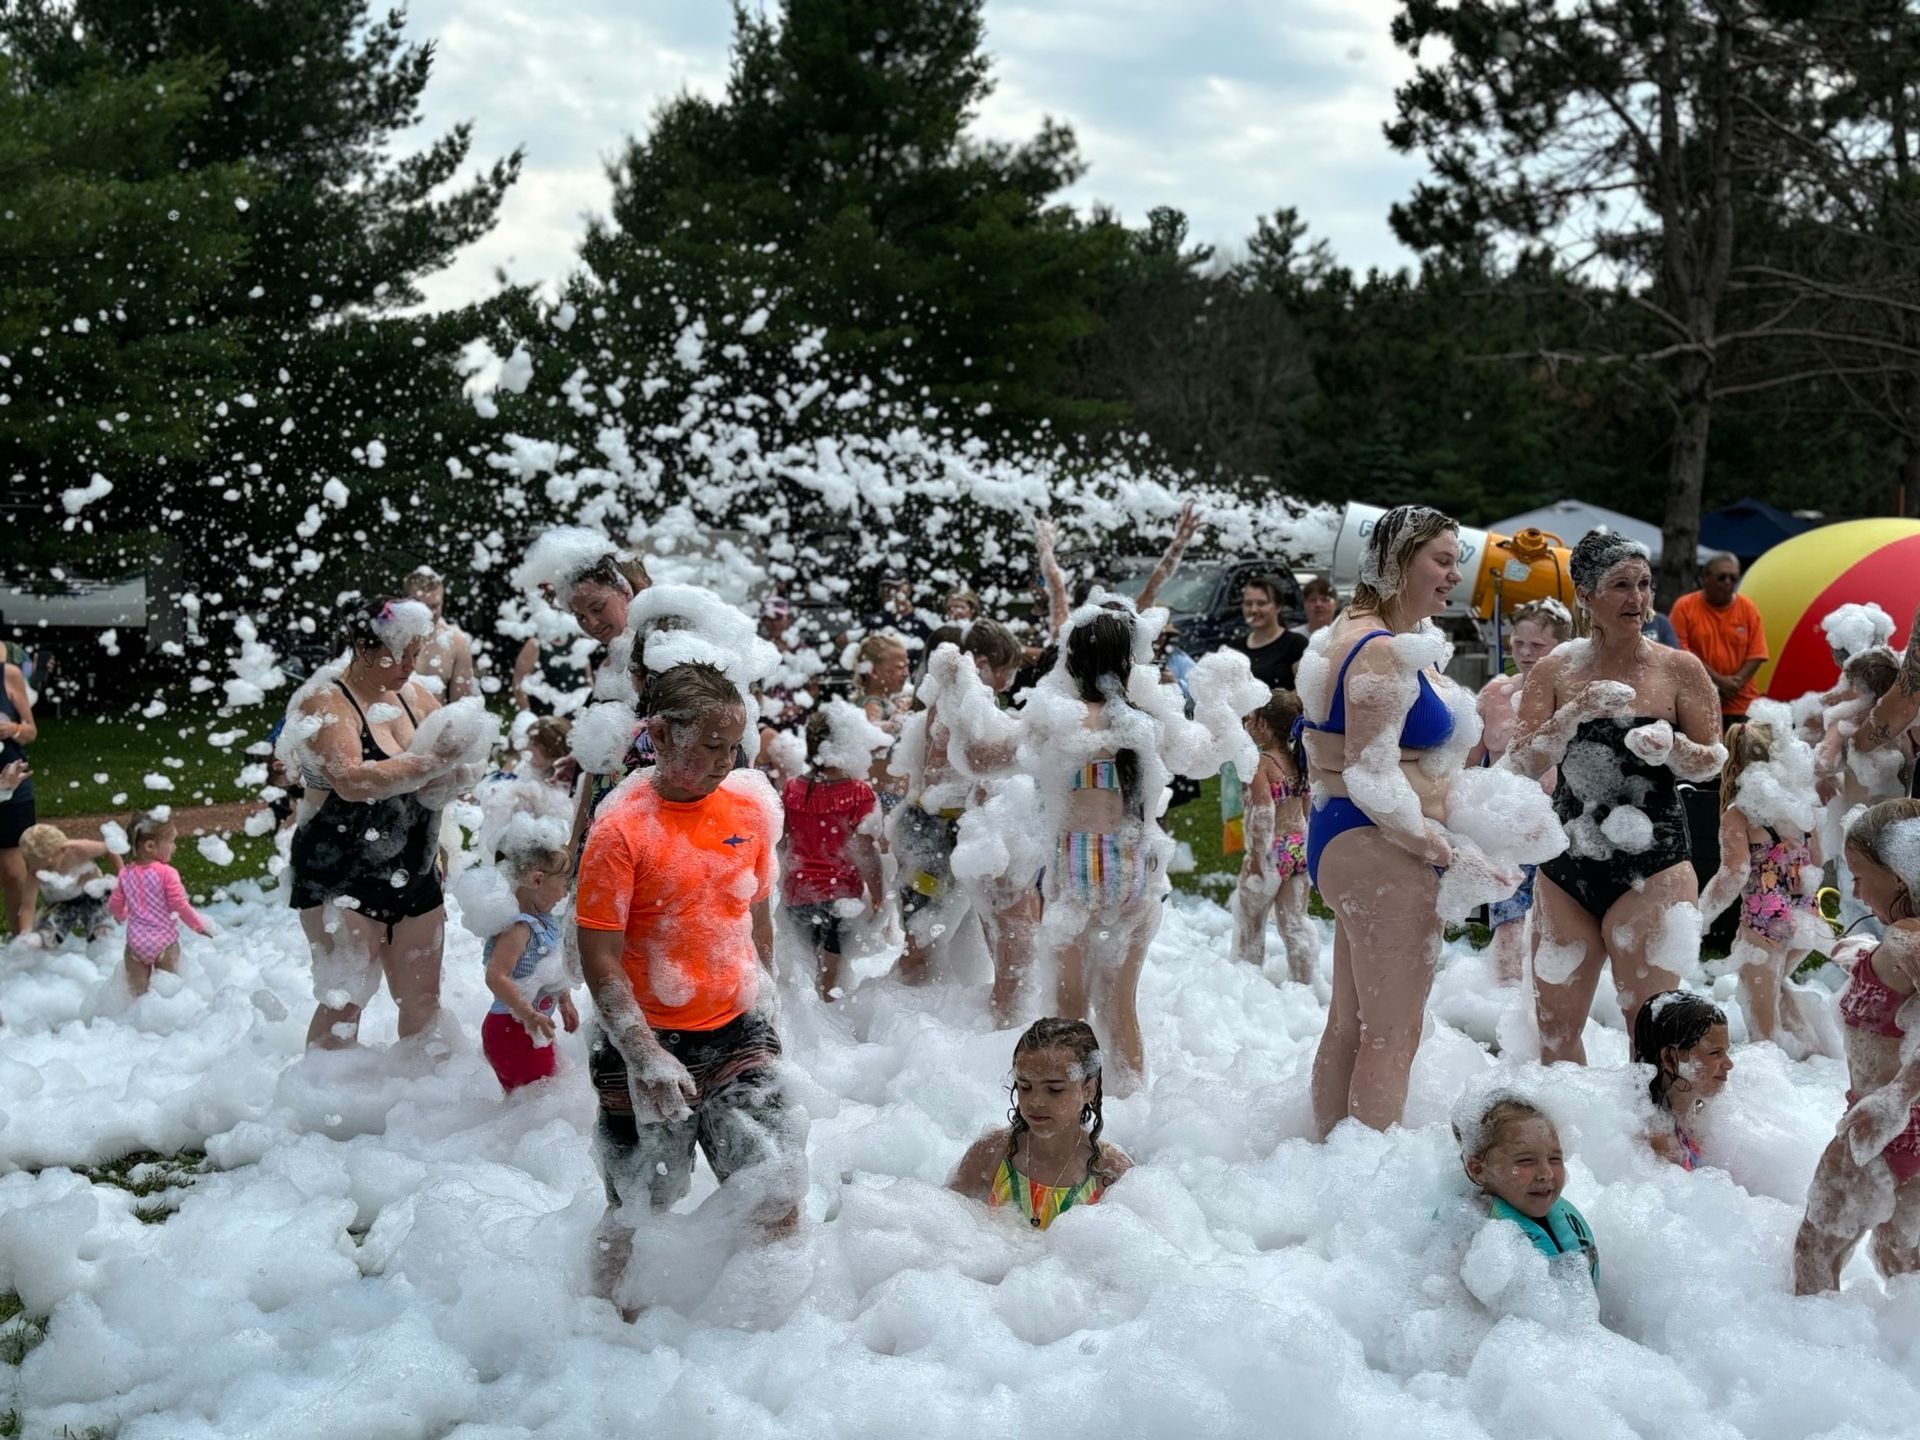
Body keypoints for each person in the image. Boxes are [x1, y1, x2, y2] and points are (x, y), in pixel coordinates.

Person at [574, 662, 805, 1303]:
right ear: (663, 736)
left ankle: (770, 1337)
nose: (724, 761)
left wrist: (771, 1003)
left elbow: (754, 919)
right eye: (709, 746)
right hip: (643, 1043)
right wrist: (643, 1054)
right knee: (641, 1204)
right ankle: (598, 1331)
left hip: (739, 1029)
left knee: (775, 1189)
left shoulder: (749, 812)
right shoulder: (621, 831)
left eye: (733, 746)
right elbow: (598, 956)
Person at [1507, 531, 1725, 1065]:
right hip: (1568, 865)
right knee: (1554, 1035)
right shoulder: (1555, 671)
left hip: (1655, 864)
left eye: (1645, 585)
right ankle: (1577, 1143)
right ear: (1585, 595)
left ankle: (1657, 1146)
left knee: (1652, 1039)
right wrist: (1573, 713)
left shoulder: (1680, 669)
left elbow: (1715, 761)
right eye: (1621, 585)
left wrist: (1671, 748)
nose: (1638, 599)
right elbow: (1520, 763)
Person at [1294, 505, 1478, 1135]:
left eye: (1458, 561)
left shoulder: (1359, 636)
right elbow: (1372, 776)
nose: (1455, 575)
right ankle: (1365, 1183)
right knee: (1394, 1030)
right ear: (1400, 561)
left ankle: (1326, 1159)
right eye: (1443, 560)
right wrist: (1439, 847)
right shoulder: (1378, 651)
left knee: (1351, 1020)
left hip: (1347, 837)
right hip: (1376, 842)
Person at [282, 598, 468, 1051]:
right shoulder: (326, 701)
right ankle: (324, 1110)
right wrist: (430, 765)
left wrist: (459, 773)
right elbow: (350, 779)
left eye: (416, 652)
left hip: (413, 867)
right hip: (339, 872)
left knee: (423, 999)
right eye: (399, 653)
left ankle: (420, 1106)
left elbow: (445, 767)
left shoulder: (416, 695)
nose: (410, 664)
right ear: (363, 648)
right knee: (345, 1003)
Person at [1793, 798, 1920, 1293]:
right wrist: (1869, 962)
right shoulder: (1900, 942)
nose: (1857, 891)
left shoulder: (1907, 940)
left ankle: (1816, 1364)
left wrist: (1895, 1098)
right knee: (1904, 1271)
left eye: (1862, 875)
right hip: (1908, 1132)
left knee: (1815, 1252)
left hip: (1881, 1133)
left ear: (1902, 875)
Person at [1698, 716, 1828, 1052]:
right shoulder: (1803, 806)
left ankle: (1777, 1079)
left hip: (1763, 923)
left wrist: (1701, 915)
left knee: (1763, 1031)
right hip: (1806, 917)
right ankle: (1816, 1059)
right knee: (1779, 989)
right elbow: (1819, 858)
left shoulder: (1739, 815)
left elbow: (1734, 874)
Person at [1468, 599, 1573, 984]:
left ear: (1559, 647)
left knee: (1555, 928)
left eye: (1537, 645)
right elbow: (1469, 766)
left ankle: (1550, 1006)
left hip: (1557, 828)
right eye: (1518, 644)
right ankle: (1503, 999)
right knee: (1509, 921)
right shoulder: (1495, 694)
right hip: (1506, 829)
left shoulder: (1573, 697)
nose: (1525, 654)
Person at [949, 1017, 1132, 1231]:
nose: (1036, 1101)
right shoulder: (990, 1156)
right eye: (1025, 1086)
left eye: (1054, 1089)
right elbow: (948, 1233)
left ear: (1088, 1090)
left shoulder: (1111, 1175)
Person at [781, 707, 882, 1003]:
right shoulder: (858, 793)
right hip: (839, 897)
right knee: (830, 980)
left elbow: (782, 842)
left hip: (798, 894)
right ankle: (830, 1024)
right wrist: (877, 893)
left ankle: (811, 1023)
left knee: (804, 967)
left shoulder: (792, 789)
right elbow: (865, 850)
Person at [1456, 1094, 1598, 1284]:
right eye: (1526, 1161)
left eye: (1555, 1159)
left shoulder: (1563, 1217)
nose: (1546, 1173)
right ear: (1478, 1169)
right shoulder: (1471, 1234)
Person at [1231, 688, 1316, 985]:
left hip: (1270, 850)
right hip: (1297, 847)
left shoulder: (1261, 763)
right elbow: (1307, 809)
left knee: (1249, 925)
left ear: (1263, 724)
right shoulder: (1298, 761)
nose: (1245, 723)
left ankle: (1247, 987)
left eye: (1250, 717)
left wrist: (1256, 859)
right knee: (1295, 924)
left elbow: (1262, 815)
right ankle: (1305, 990)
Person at [480, 836, 579, 1093]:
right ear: (537, 880)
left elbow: (551, 968)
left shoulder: (546, 921)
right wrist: (527, 1012)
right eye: (564, 883)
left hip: (527, 1027)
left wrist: (564, 1000)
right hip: (511, 1029)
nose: (566, 892)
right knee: (538, 1096)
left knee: (535, 1097)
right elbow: (495, 976)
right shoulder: (520, 927)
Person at [108, 813, 213, 997]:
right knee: (168, 996)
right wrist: (198, 926)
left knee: (136, 996)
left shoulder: (125, 874)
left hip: (135, 945)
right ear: (150, 846)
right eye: (171, 842)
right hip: (164, 943)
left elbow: (115, 904)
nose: (175, 847)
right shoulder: (167, 873)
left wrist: (121, 915)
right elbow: (179, 904)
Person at [1631, 992, 1732, 1171]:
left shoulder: (1699, 1115)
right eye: (1715, 1053)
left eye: (1726, 1052)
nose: (1729, 1064)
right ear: (1670, 1059)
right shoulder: (1658, 1142)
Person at [1670, 552, 1768, 730]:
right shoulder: (1684, 606)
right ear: (1705, 578)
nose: (1728, 583)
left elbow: (1757, 654)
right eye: (1721, 577)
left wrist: (1733, 685)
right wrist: (1719, 682)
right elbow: (1681, 652)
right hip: (1698, 702)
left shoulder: (1748, 608)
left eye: (1733, 578)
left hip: (1742, 703)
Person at [18, 823, 117, 946]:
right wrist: (25, 935)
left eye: (49, 867)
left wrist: (124, 876)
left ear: (62, 850)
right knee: (43, 937)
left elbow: (109, 849)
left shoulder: (79, 849)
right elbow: (27, 907)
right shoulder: (34, 873)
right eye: (38, 868)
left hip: (93, 894)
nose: (45, 872)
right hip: (60, 902)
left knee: (103, 934)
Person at [0, 656, 37, 937]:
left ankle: (21, 942)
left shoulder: (8, 675)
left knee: (14, 872)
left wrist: (13, 729)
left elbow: (30, 731)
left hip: (12, 785)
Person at [402, 566, 478, 703]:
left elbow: (461, 707)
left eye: (435, 606)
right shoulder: (390, 637)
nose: (430, 613)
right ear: (407, 602)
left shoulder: (457, 643)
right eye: (423, 606)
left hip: (435, 722)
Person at [1229, 575, 1309, 691]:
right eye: (1248, 603)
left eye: (1261, 603)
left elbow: (1307, 694)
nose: (1254, 610)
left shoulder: (1295, 644)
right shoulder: (1234, 648)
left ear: (1278, 607)